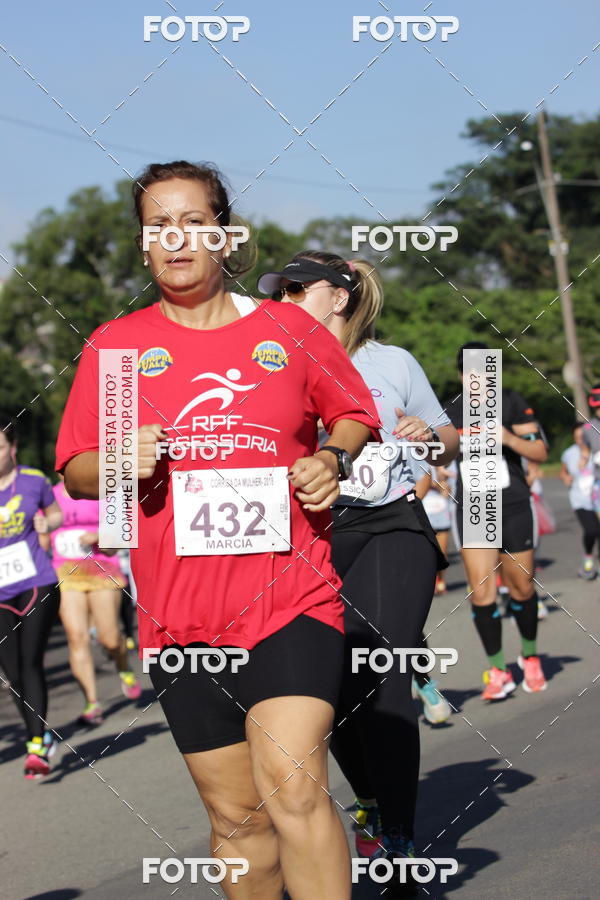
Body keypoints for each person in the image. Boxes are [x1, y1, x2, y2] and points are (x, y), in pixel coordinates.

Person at [55, 161, 380, 900]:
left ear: (225, 235)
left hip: (289, 598)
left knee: (294, 786)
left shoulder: (288, 328)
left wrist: (333, 457)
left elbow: (354, 411)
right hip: (181, 621)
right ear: (143, 245)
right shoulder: (116, 347)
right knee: (237, 817)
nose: (176, 239)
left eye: (193, 222)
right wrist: (113, 460)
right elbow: (76, 471)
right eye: (158, 225)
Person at [258, 251, 459, 892]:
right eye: (278, 290)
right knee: (333, 692)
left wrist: (429, 433)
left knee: (390, 671)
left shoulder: (393, 363)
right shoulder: (270, 361)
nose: (284, 299)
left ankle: (399, 842)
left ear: (338, 298)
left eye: (296, 288)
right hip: (314, 537)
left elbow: (452, 436)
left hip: (391, 527)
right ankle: (368, 800)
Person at [446, 342, 549, 701]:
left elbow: (539, 451)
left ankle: (531, 656)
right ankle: (498, 669)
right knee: (482, 592)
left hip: (515, 505)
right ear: (461, 375)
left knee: (521, 588)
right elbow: (435, 453)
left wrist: (506, 436)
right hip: (476, 506)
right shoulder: (450, 411)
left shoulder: (512, 403)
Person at [50, 477, 141, 725]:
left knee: (109, 638)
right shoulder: (50, 495)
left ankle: (123, 665)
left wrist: (98, 536)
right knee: (76, 637)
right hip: (65, 573)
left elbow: (119, 540)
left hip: (102, 570)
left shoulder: (104, 492)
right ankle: (92, 703)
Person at [0, 419, 62, 778]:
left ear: (12, 448)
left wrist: (48, 524)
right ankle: (37, 735)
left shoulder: (34, 480)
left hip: (35, 581)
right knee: (11, 673)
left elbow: (53, 513)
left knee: (29, 661)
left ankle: (36, 745)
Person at [561, 423, 599, 579]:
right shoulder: (569, 453)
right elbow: (563, 472)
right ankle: (588, 558)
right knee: (591, 531)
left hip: (596, 498)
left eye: (582, 437)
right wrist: (565, 477)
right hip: (580, 500)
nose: (580, 440)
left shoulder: (596, 450)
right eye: (576, 438)